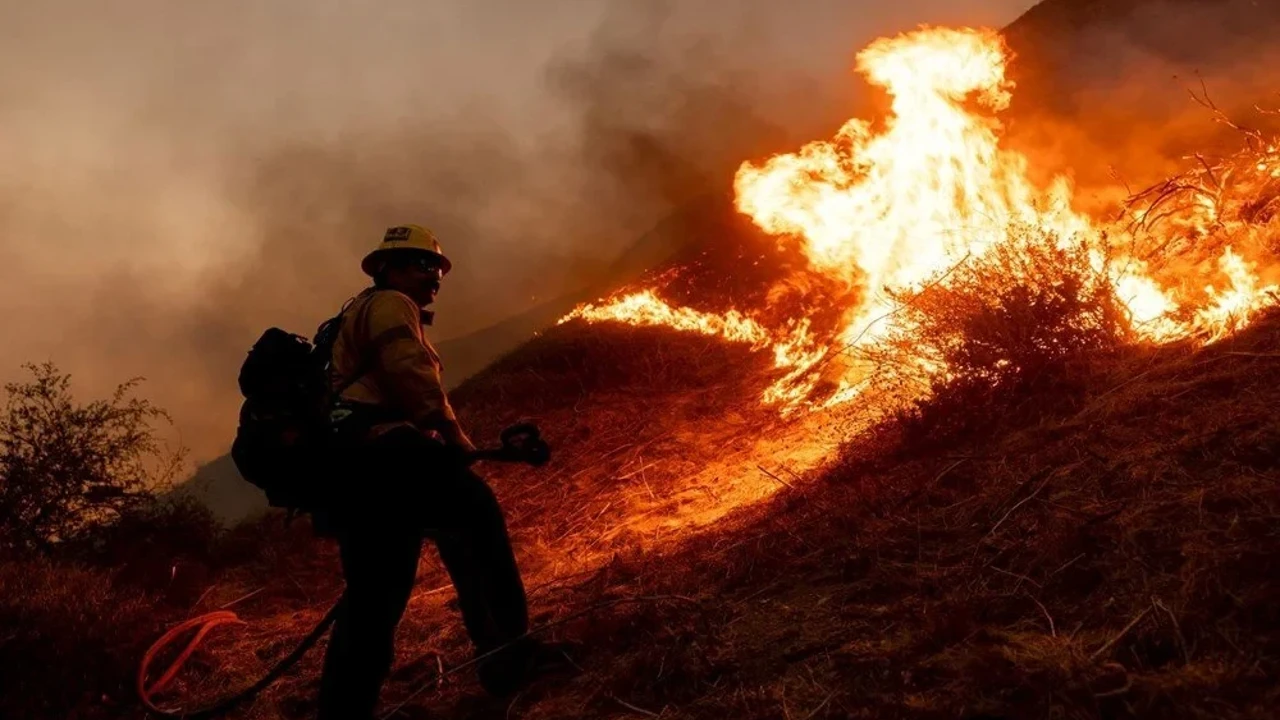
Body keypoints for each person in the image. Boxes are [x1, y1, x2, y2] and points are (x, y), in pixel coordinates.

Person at [315, 224, 539, 720]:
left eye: (437, 266)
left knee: (375, 595)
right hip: (385, 453)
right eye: (422, 264)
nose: (433, 275)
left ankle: (342, 711)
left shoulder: (359, 311)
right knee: (476, 520)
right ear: (388, 269)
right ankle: (509, 661)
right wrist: (452, 436)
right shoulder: (392, 305)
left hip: (352, 469)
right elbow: (411, 373)